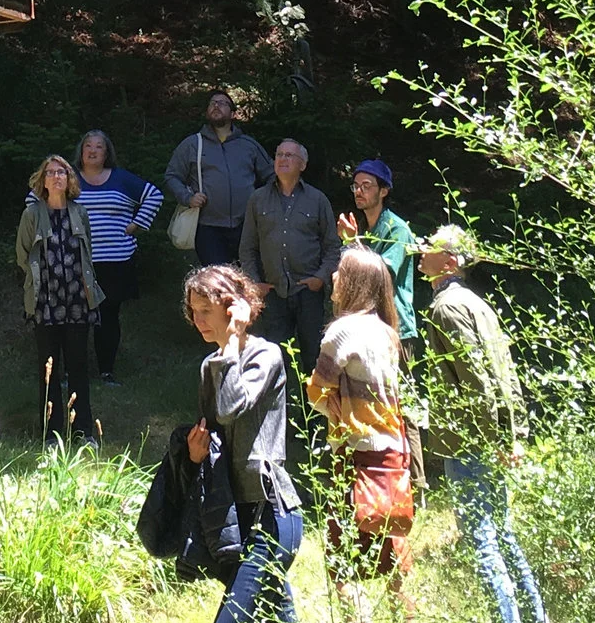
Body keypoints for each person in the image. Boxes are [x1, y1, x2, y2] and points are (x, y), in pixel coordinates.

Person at [183, 264, 343, 623]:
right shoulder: (211, 365)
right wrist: (194, 453)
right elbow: (215, 431)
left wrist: (232, 342)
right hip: (238, 517)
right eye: (194, 312)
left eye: (207, 311)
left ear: (236, 308)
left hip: (275, 517)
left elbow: (233, 406)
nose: (199, 321)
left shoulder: (265, 356)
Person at [421, 224, 550, 623]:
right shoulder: (478, 304)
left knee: (481, 537)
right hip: (490, 437)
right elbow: (506, 374)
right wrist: (513, 435)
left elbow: (477, 379)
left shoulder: (446, 308)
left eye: (432, 247)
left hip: (470, 441)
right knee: (502, 532)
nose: (422, 250)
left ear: (450, 262)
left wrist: (489, 438)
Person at [305, 247, 418, 623]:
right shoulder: (387, 332)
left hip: (357, 456)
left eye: (339, 273)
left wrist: (330, 400)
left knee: (343, 562)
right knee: (394, 557)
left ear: (353, 283)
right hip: (393, 453)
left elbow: (316, 391)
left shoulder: (342, 331)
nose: (333, 279)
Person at [22, 130, 162, 385]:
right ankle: (69, 372)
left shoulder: (121, 179)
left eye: (99, 146)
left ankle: (106, 371)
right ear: (81, 151)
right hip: (72, 260)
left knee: (108, 315)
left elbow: (155, 195)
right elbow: (33, 199)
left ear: (107, 153)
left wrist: (137, 224)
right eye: (88, 146)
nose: (93, 151)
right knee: (71, 317)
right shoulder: (69, 178)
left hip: (115, 260)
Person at [238, 139, 339, 431]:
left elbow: (332, 246)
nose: (282, 159)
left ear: (302, 165)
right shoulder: (258, 199)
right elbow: (247, 247)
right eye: (279, 155)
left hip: (308, 292)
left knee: (313, 357)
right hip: (273, 294)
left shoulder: (317, 200)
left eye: (289, 156)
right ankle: (275, 421)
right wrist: (254, 283)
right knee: (274, 358)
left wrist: (320, 278)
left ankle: (316, 423)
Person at [15, 155, 103, 444]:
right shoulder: (32, 215)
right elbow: (23, 255)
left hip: (78, 300)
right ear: (42, 181)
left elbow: (88, 254)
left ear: (69, 179)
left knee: (78, 367)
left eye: (61, 172)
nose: (56, 177)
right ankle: (51, 434)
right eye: (50, 173)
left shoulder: (80, 212)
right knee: (49, 369)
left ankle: (83, 431)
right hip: (45, 303)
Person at [165, 93, 272, 269]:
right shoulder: (192, 144)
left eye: (222, 103)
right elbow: (172, 176)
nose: (216, 106)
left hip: (246, 226)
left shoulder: (248, 145)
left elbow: (271, 174)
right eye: (212, 103)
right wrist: (187, 198)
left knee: (249, 276)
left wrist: (264, 203)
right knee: (218, 280)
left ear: (233, 114)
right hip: (208, 229)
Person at [337, 160, 422, 365]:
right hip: (370, 324)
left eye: (366, 186)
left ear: (383, 191)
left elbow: (379, 275)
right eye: (356, 186)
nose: (359, 191)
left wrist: (352, 242)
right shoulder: (366, 229)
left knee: (397, 386)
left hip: (395, 328)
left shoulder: (397, 229)